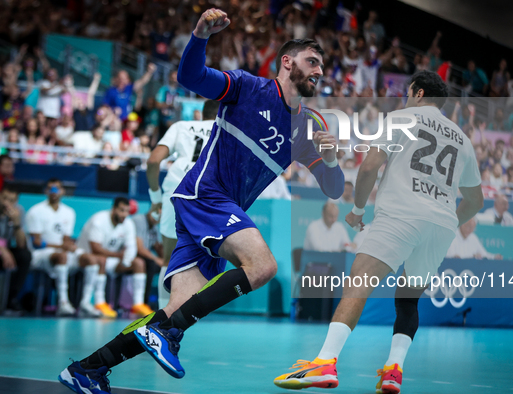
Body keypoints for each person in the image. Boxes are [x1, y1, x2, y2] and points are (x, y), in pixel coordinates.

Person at [59, 8, 343, 393]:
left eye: (322, 66)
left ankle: (87, 370)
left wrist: (329, 161)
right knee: (262, 266)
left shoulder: (307, 127)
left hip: (214, 210)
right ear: (287, 62)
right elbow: (190, 77)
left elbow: (334, 188)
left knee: (173, 310)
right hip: (205, 196)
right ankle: (169, 334)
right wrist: (199, 36)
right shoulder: (247, 87)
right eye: (312, 62)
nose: (319, 71)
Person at [274, 70, 483, 393]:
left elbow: (370, 165)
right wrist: (450, 219)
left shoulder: (402, 118)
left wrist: (358, 211)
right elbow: (475, 200)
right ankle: (393, 370)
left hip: (402, 212)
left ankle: (325, 362)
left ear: (417, 92)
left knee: (358, 282)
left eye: (408, 91)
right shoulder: (463, 138)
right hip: (441, 225)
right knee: (408, 300)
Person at [146, 99, 219, 309]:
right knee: (210, 256)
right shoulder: (226, 132)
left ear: (201, 112)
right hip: (208, 191)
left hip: (177, 187)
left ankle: (161, 316)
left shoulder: (181, 126)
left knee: (168, 259)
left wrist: (155, 198)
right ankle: (191, 311)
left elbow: (153, 161)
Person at [25, 179, 99, 317]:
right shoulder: (36, 211)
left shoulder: (69, 212)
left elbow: (65, 239)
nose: (54, 192)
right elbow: (36, 243)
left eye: (57, 188)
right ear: (46, 191)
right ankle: (63, 303)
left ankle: (85, 303)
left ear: (63, 191)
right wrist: (61, 246)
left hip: (61, 252)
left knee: (91, 259)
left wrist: (69, 246)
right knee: (62, 256)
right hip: (40, 254)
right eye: (50, 188)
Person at [75, 197, 141, 318]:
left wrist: (126, 261)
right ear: (113, 209)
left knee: (138, 263)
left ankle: (138, 304)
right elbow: (95, 249)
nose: (124, 214)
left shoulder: (128, 223)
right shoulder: (98, 220)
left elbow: (131, 246)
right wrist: (119, 255)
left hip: (110, 260)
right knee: (101, 260)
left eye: (127, 211)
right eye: (121, 210)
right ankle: (99, 302)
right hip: (85, 257)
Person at [0, 184, 31, 314]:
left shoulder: (19, 211)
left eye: (12, 200)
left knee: (24, 255)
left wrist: (17, 224)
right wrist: (3, 250)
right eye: (5, 198)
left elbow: (21, 244)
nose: (7, 203)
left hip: (7, 249)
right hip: (2, 250)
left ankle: (10, 300)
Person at [131, 206, 163, 307]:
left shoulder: (154, 227)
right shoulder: (139, 220)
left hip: (145, 258)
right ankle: (144, 303)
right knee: (151, 264)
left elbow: (158, 247)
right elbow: (139, 248)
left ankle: (165, 303)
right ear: (150, 211)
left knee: (168, 268)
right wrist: (157, 259)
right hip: (131, 255)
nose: (157, 218)